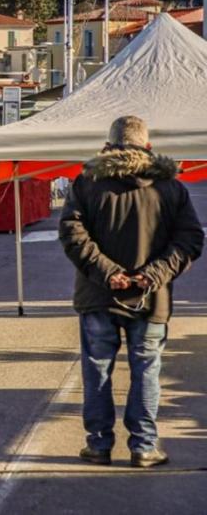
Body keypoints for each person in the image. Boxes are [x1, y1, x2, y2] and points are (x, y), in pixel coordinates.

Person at [59, 116, 203, 468]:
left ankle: (98, 444)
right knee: (146, 370)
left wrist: (110, 274)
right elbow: (190, 240)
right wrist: (151, 275)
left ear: (108, 147)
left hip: (98, 295)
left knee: (97, 372)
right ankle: (144, 446)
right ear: (148, 147)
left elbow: (72, 233)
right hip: (151, 299)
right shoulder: (170, 188)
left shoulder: (88, 183)